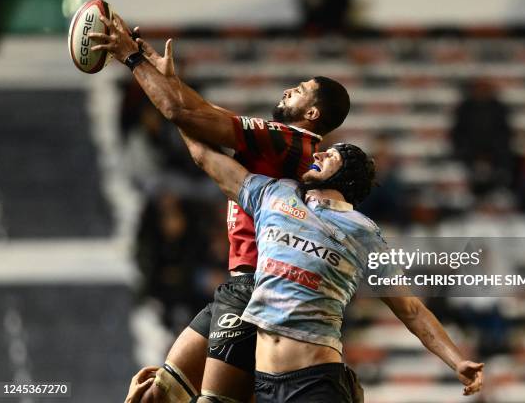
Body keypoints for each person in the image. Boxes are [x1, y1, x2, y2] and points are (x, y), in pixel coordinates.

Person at [89, 14, 351, 403]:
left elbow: (187, 115)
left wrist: (131, 57)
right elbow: (197, 122)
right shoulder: (286, 149)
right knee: (155, 393)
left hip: (257, 289)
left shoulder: (289, 141)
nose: (287, 91)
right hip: (239, 287)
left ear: (312, 114)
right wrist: (167, 82)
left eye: (298, 91)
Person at [183, 137, 485, 401]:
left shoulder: (363, 232)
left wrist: (457, 361)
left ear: (347, 177)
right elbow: (205, 157)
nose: (317, 155)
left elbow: (411, 310)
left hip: (315, 382)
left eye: (331, 155)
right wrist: (173, 107)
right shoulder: (275, 194)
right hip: (263, 382)